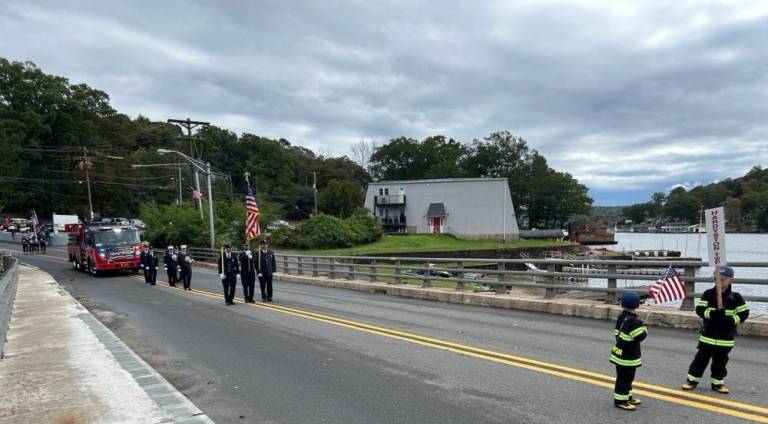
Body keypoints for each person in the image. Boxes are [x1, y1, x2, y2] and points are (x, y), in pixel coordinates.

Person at [682, 265, 749, 394]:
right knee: (700, 360)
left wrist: (731, 320)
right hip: (708, 335)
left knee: (720, 362)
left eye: (722, 279)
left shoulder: (736, 297)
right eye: (715, 279)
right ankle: (692, 380)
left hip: (726, 338)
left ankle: (717, 383)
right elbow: (700, 310)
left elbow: (744, 313)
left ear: (731, 280)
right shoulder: (708, 294)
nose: (718, 282)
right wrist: (712, 314)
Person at [610, 291, 647, 411]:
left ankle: (627, 396)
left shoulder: (622, 317)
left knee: (625, 378)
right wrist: (644, 328)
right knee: (625, 378)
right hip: (628, 356)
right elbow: (640, 337)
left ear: (622, 305)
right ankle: (621, 400)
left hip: (620, 352)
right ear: (637, 305)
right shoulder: (634, 321)